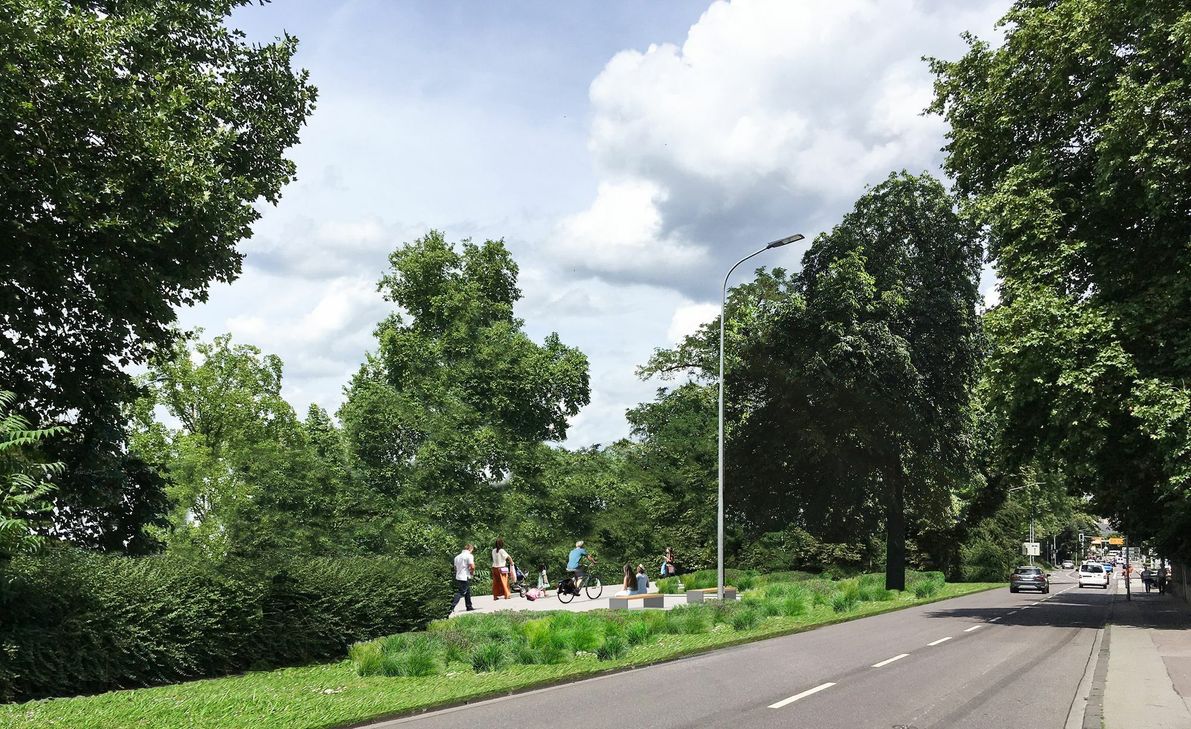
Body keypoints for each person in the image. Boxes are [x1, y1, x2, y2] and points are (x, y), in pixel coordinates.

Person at [450, 543, 476, 613]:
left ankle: (469, 606)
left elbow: (455, 568)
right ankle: (451, 606)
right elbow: (472, 566)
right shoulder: (469, 556)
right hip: (465, 576)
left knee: (467, 591)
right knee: (462, 592)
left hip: (458, 576)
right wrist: (472, 572)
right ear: (470, 549)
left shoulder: (457, 557)